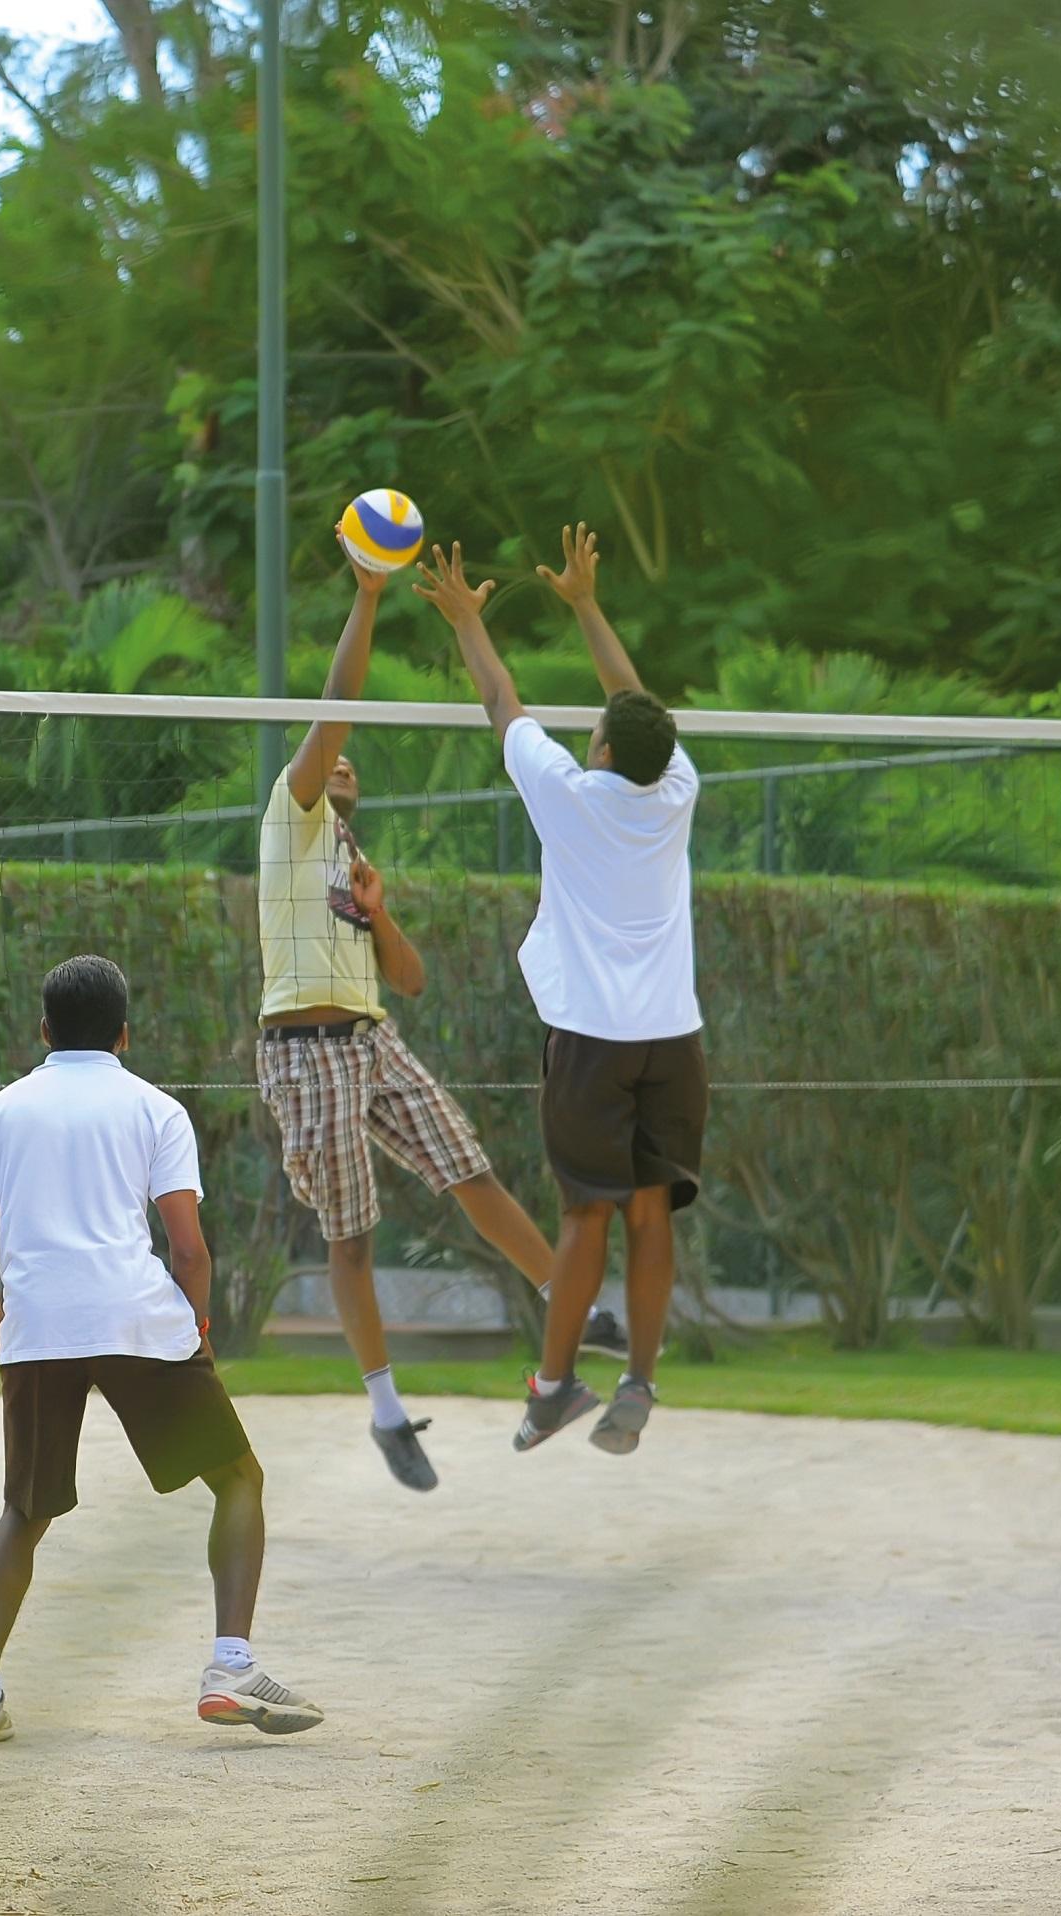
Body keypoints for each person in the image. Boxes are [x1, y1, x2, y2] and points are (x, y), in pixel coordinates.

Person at [256, 541, 627, 1493]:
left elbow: (410, 980)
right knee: (352, 1238)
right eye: (332, 768)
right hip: (303, 1050)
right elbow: (336, 709)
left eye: (350, 774)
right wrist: (368, 599)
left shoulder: (353, 861)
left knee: (471, 1170)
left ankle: (571, 1308)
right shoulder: (289, 821)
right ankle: (386, 1412)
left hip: (373, 1040)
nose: (342, 772)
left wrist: (381, 914)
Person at [0, 955, 321, 1751]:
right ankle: (230, 1667)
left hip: (39, 1330)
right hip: (140, 1322)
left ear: (43, 1030)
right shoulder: (156, 1109)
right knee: (239, 1478)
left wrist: (13, 1336)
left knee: (23, 1512)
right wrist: (198, 1328)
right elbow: (189, 1251)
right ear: (124, 1033)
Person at [417, 528, 707, 1456]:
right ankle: (642, 1383)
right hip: (675, 1038)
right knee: (652, 1208)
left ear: (605, 748)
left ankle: (553, 1387)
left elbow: (501, 697)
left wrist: (468, 619)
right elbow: (636, 702)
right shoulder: (677, 787)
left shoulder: (569, 792)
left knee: (586, 1213)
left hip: (590, 1039)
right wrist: (586, 604)